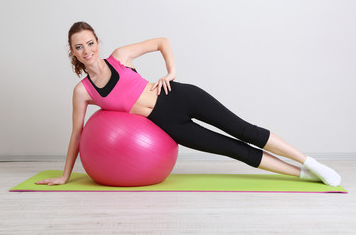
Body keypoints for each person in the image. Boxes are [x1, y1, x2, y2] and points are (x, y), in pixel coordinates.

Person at [35, 21, 341, 187]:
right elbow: (77, 134)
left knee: (245, 130)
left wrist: (171, 72)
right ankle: (301, 175)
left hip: (180, 97)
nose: (87, 49)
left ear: (97, 42)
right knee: (234, 150)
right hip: (170, 126)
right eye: (79, 47)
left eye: (90, 43)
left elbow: (161, 41)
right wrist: (65, 175)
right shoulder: (83, 91)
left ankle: (311, 163)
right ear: (73, 53)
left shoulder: (120, 56)